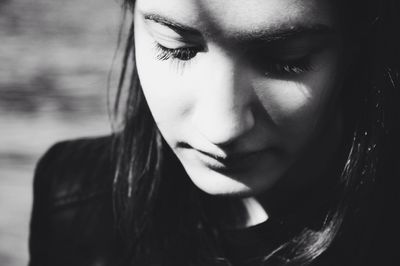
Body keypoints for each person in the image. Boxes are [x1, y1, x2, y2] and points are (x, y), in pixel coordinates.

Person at [29, 0, 400, 265]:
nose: (222, 128)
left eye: (287, 60)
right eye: (176, 49)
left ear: (356, 46)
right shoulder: (73, 199)